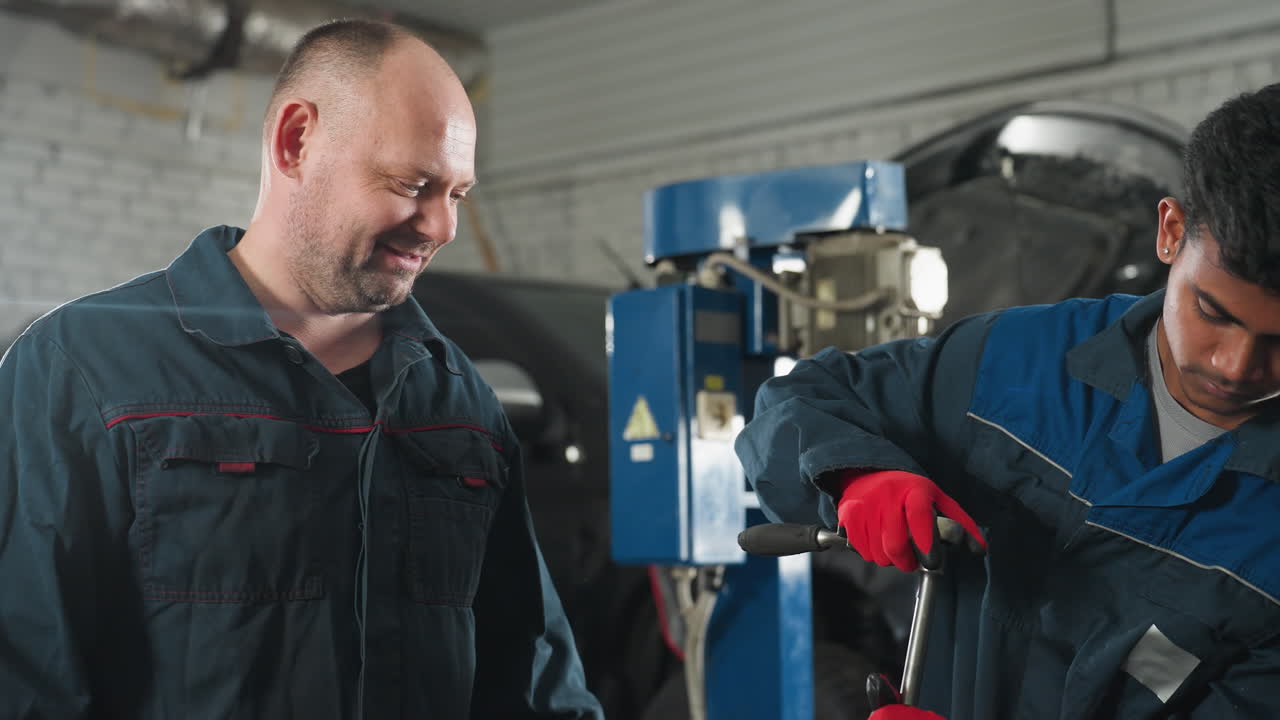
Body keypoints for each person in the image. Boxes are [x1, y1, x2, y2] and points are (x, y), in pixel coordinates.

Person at [0, 19, 602, 719]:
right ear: (296, 141)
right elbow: (26, 682)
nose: (442, 229)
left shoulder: (459, 398)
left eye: (458, 195)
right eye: (413, 183)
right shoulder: (84, 369)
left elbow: (531, 678)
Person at [735, 84, 1280, 719]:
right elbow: (804, 397)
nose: (1235, 365)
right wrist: (856, 473)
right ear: (1171, 231)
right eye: (1211, 312)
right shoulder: (1017, 364)